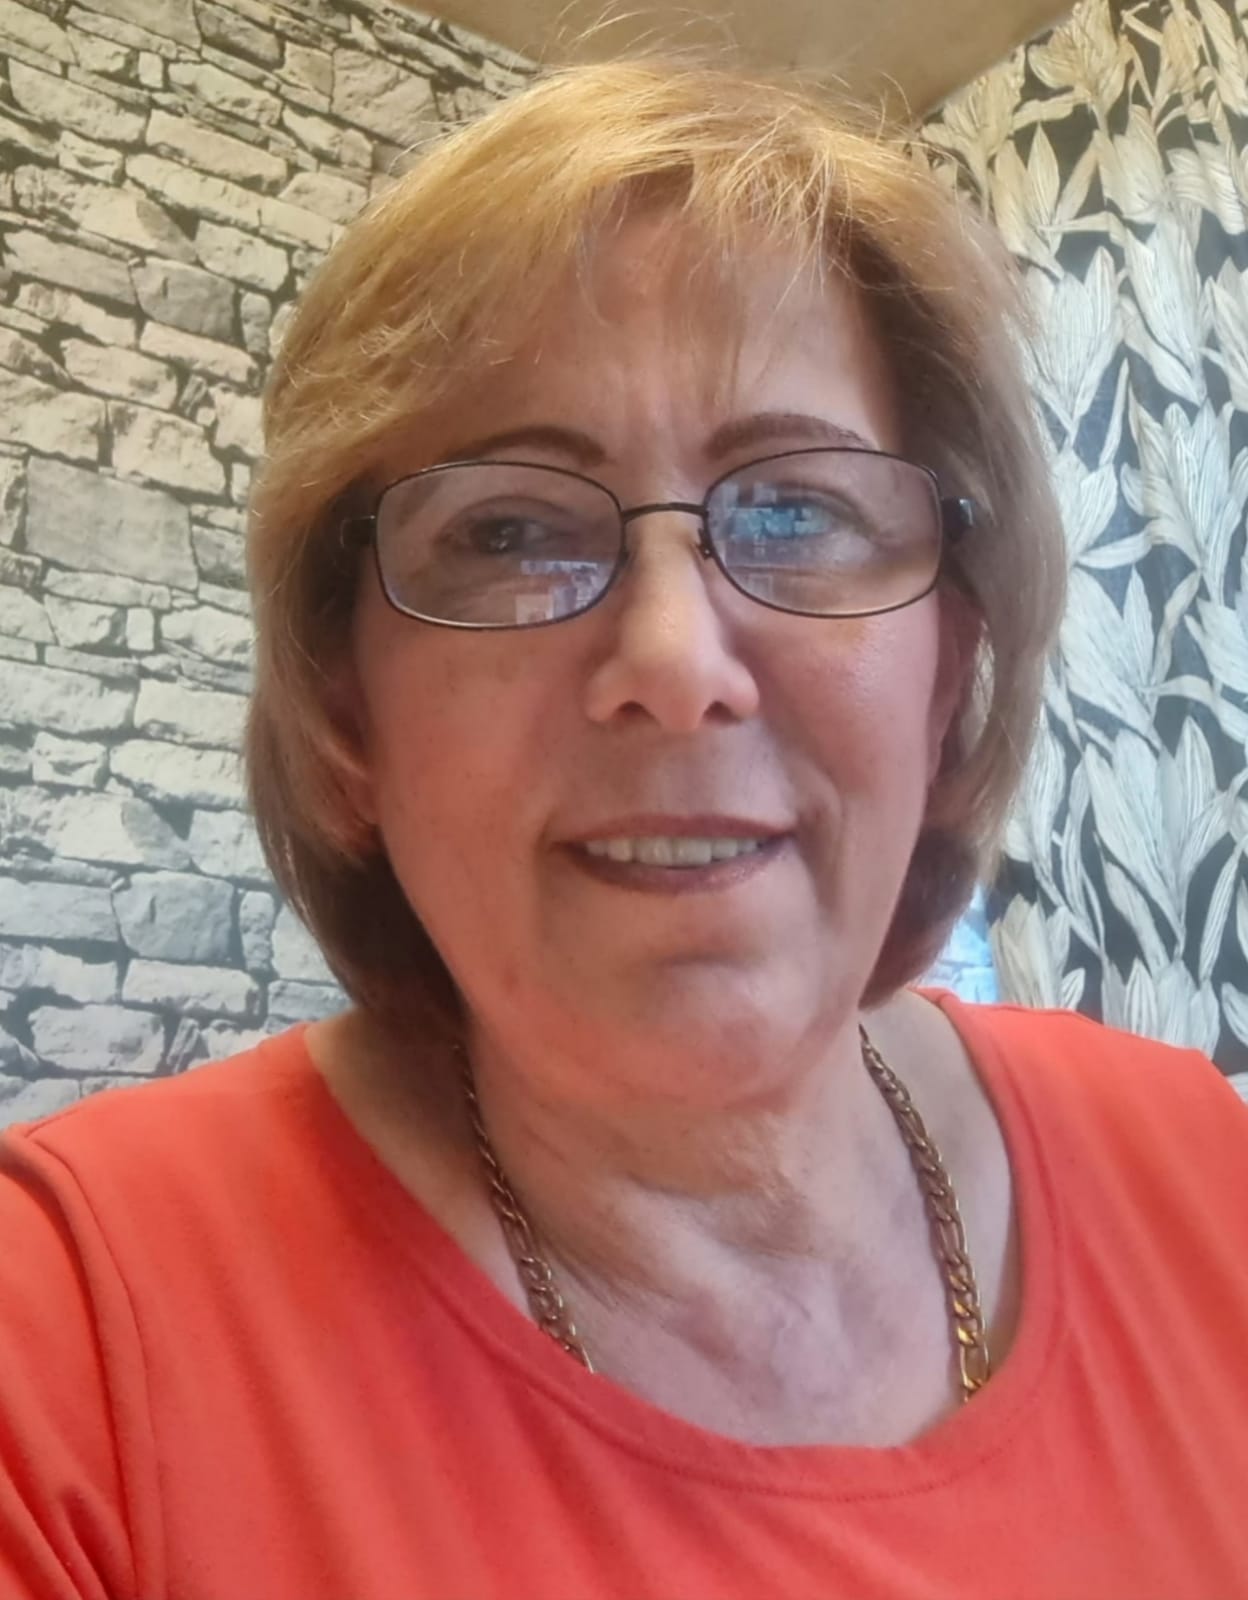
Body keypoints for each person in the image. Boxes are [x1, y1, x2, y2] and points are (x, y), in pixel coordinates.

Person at [3, 56, 1247, 1600]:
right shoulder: (68, 1346)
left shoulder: (1202, 1167)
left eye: (795, 510)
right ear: (347, 717)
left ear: (948, 673)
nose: (672, 661)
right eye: (511, 530)